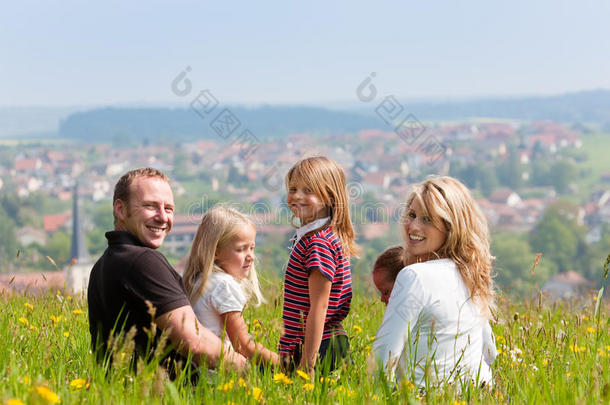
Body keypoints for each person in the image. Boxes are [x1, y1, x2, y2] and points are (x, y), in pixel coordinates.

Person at [87, 168, 245, 377]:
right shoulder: (143, 261)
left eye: (169, 208)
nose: (163, 217)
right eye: (150, 206)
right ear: (120, 209)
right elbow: (195, 343)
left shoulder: (103, 264)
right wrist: (247, 368)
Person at [372, 176, 497, 388]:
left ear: (451, 227)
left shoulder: (414, 276)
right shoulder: (471, 275)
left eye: (427, 219)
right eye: (411, 215)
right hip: (481, 394)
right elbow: (489, 353)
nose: (413, 226)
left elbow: (382, 360)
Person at [279, 156, 359, 373]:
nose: (297, 196)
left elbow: (320, 307)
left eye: (308, 190)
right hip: (322, 343)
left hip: (317, 347)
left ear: (330, 197)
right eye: (293, 188)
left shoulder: (318, 243)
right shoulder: (321, 236)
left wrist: (307, 364)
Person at [182, 206, 280, 367]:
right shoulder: (224, 285)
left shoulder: (197, 280)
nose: (251, 256)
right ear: (216, 252)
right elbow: (244, 346)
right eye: (241, 249)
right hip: (218, 374)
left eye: (252, 248)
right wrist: (287, 365)